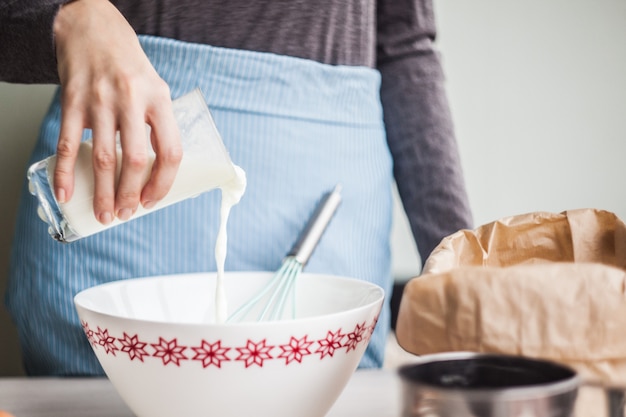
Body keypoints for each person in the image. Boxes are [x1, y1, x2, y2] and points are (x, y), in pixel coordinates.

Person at [0, 0, 473, 375]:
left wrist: (466, 280)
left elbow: (406, 48)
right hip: (113, 201)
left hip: (323, 207)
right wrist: (64, 21)